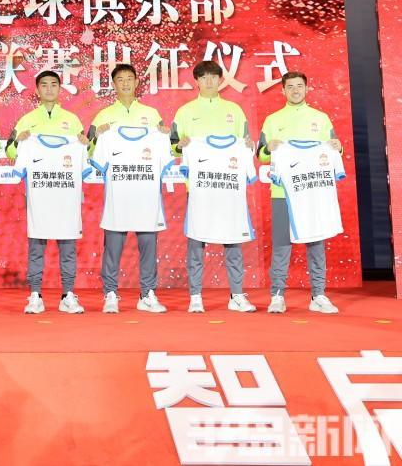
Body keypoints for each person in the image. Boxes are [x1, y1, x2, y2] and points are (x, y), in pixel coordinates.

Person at [171, 60, 255, 313]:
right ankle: (195, 296)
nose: (209, 81)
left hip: (229, 188)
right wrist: (179, 146)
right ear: (196, 81)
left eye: (213, 76)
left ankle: (236, 295)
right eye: (204, 77)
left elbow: (246, 143)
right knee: (196, 242)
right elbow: (171, 146)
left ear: (220, 80)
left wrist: (249, 145)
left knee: (233, 241)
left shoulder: (235, 111)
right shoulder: (185, 112)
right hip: (199, 189)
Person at [257, 71, 344, 314]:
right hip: (282, 192)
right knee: (282, 244)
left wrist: (339, 147)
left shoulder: (321, 119)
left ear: (307, 89)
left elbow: (335, 150)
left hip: (313, 191)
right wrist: (268, 148)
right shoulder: (272, 120)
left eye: (299, 86)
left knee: (316, 242)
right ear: (283, 90)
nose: (295, 90)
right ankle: (277, 295)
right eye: (290, 87)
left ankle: (318, 295)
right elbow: (261, 154)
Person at [6, 70, 90, 314]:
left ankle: (68, 295)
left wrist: (85, 144)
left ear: (60, 88)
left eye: (54, 84)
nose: (49, 89)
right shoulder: (27, 120)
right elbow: (11, 152)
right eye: (44, 85)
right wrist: (18, 142)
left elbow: (85, 154)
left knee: (68, 248)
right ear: (37, 89)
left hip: (66, 197)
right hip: (39, 196)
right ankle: (35, 295)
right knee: (36, 247)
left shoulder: (72, 120)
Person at [88, 64, 169, 314]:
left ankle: (148, 294)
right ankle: (110, 293)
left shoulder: (152, 114)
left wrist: (165, 135)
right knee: (112, 248)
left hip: (147, 198)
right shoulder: (103, 117)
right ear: (113, 84)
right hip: (118, 197)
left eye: (129, 79)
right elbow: (89, 151)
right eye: (120, 79)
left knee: (148, 247)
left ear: (136, 82)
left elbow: (168, 148)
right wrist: (96, 137)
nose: (125, 83)